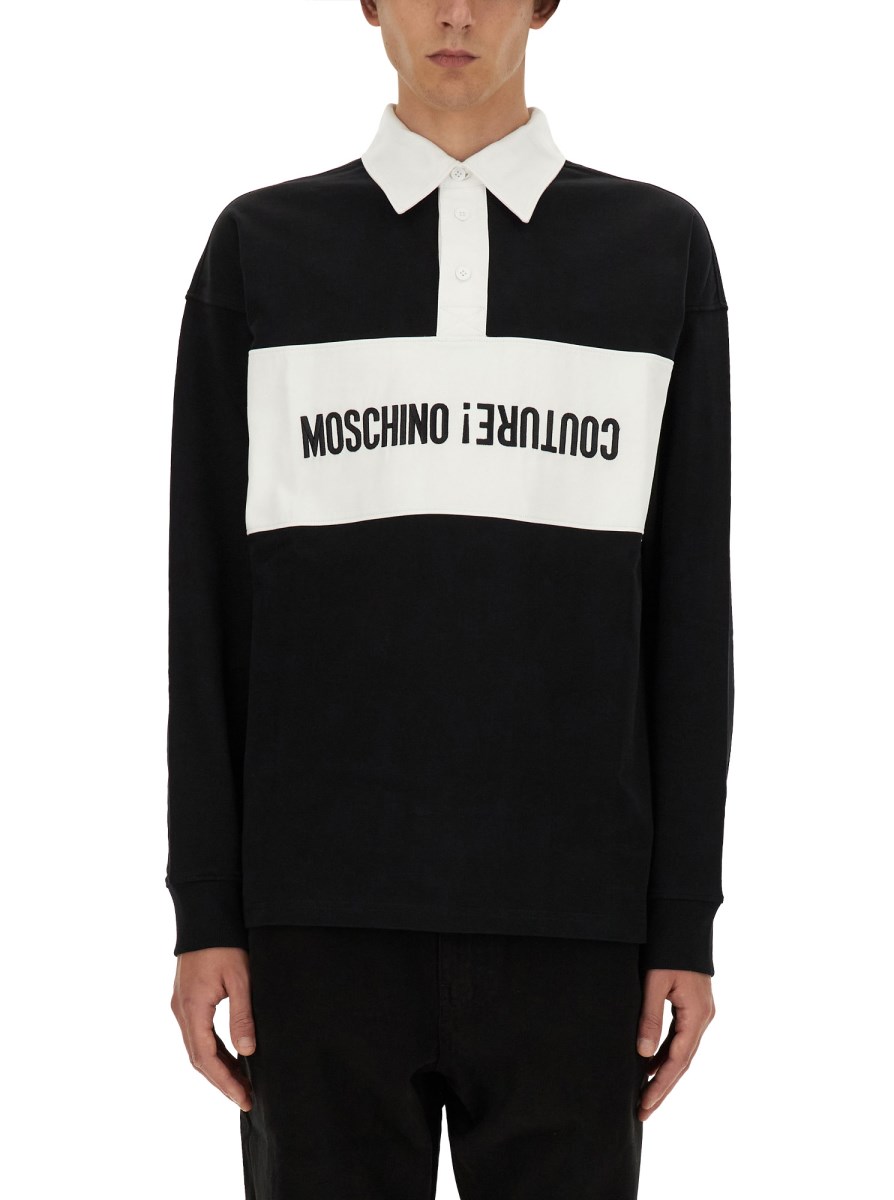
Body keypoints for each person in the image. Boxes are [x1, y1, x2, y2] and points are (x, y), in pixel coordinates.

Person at [165, 1, 734, 1196]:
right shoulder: (261, 250)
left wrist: (683, 918)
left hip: (577, 922)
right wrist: (205, 909)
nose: (457, 13)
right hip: (315, 925)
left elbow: (688, 609)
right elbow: (206, 603)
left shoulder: (657, 250)